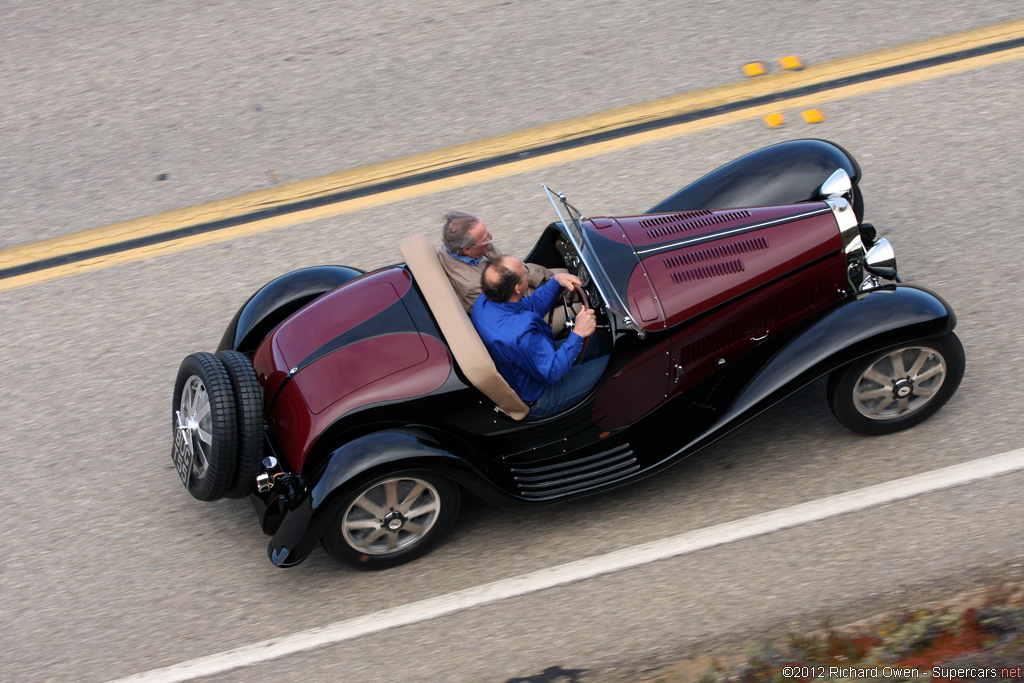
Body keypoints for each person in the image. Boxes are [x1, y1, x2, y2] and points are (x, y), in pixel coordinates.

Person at [471, 255, 610, 420]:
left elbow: (529, 307)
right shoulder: (522, 335)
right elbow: (552, 371)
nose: (527, 272)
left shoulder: (486, 302)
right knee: (612, 366)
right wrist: (578, 332)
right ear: (518, 287)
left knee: (596, 340)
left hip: (529, 368)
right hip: (541, 395)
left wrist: (556, 281)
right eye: (525, 273)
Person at [438, 211, 552, 312]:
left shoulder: (456, 248)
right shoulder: (473, 287)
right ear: (467, 249)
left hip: (528, 282)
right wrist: (552, 289)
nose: (491, 238)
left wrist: (547, 279)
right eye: (485, 239)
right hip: (529, 310)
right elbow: (514, 307)